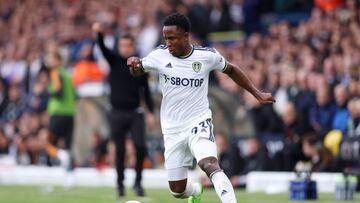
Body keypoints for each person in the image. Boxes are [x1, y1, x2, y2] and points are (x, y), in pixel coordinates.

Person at [127, 13, 275, 203]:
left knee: (209, 164)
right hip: (172, 129)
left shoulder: (206, 56)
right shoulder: (159, 56)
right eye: (166, 38)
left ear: (186, 36)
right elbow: (138, 70)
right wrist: (133, 65)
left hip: (199, 122)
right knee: (177, 190)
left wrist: (257, 93)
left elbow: (231, 69)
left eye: (172, 38)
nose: (168, 43)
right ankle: (196, 192)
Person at [92, 22, 156, 197]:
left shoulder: (140, 66)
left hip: (135, 112)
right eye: (121, 45)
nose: (124, 48)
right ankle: (120, 186)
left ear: (133, 46)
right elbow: (103, 48)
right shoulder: (114, 61)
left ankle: (138, 183)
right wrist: (99, 34)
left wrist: (150, 112)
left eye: (127, 45)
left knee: (140, 146)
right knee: (119, 150)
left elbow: (146, 92)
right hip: (117, 113)